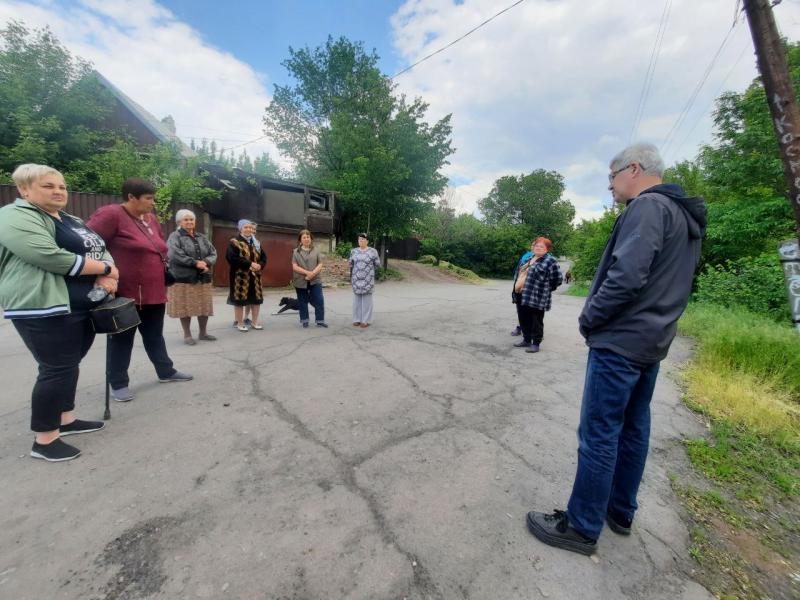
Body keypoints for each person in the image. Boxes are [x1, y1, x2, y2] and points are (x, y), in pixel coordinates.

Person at [526, 143, 707, 555]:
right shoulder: (684, 215)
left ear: (634, 169)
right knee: (634, 426)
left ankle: (581, 525)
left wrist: (590, 318)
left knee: (599, 433)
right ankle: (620, 510)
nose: (609, 185)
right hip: (652, 341)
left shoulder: (648, 209)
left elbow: (626, 277)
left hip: (621, 340)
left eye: (611, 176)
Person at [0, 164, 119, 461]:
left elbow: (99, 247)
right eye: (48, 186)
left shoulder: (70, 218)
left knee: (69, 364)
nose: (58, 191)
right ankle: (44, 440)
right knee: (55, 369)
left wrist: (109, 276)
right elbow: (47, 256)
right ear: (24, 189)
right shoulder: (14, 216)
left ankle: (66, 420)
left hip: (81, 303)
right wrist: (105, 269)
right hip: (42, 306)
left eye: (62, 186)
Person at [87, 178, 193, 403]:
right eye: (148, 198)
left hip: (154, 290)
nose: (152, 203)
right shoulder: (111, 214)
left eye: (153, 198)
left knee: (154, 335)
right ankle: (118, 383)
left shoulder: (151, 219)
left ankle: (166, 371)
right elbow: (89, 243)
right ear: (131, 197)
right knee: (122, 339)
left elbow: (161, 247)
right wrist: (101, 272)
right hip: (125, 292)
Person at [166, 209, 217, 345]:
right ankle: (187, 335)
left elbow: (213, 252)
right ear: (179, 222)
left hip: (203, 278)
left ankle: (203, 333)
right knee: (185, 307)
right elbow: (174, 254)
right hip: (184, 279)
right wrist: (195, 263)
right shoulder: (174, 236)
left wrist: (205, 262)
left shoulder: (201, 237)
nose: (189, 222)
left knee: (204, 306)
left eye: (191, 219)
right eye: (186, 219)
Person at [513, 237, 562, 353]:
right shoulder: (530, 258)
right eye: (536, 245)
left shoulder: (550, 261)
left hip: (537, 296)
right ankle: (526, 339)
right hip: (522, 294)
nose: (538, 248)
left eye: (541, 246)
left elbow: (558, 279)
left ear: (547, 249)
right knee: (523, 318)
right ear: (533, 247)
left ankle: (536, 343)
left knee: (536, 320)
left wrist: (546, 288)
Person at [226, 219, 266, 331]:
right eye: (245, 227)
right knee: (239, 301)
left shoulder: (256, 243)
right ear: (240, 229)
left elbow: (263, 257)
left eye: (250, 227)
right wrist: (250, 264)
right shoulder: (234, 242)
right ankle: (240, 323)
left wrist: (260, 265)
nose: (248, 229)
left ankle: (254, 322)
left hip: (255, 276)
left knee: (256, 300)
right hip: (240, 277)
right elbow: (232, 258)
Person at [292, 229, 327, 328]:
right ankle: (305, 320)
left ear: (311, 238)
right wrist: (307, 273)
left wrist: (313, 273)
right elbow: (294, 266)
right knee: (302, 300)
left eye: (308, 237)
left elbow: (320, 264)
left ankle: (320, 320)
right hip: (300, 280)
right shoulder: (295, 252)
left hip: (315, 279)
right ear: (300, 240)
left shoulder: (316, 250)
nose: (306, 239)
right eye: (304, 237)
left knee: (319, 299)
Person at [349, 232, 381, 327]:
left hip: (368, 279)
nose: (361, 241)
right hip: (356, 278)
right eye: (359, 239)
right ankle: (356, 319)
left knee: (367, 300)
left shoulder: (373, 251)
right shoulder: (353, 251)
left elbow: (377, 264)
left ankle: (365, 320)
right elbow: (351, 263)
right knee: (356, 300)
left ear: (367, 241)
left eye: (363, 239)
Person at [510, 246, 533, 336]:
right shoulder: (526, 256)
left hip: (532, 289)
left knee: (533, 312)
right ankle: (519, 327)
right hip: (520, 288)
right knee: (520, 309)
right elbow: (519, 269)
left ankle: (535, 332)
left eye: (538, 245)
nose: (534, 247)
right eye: (533, 245)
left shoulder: (545, 258)